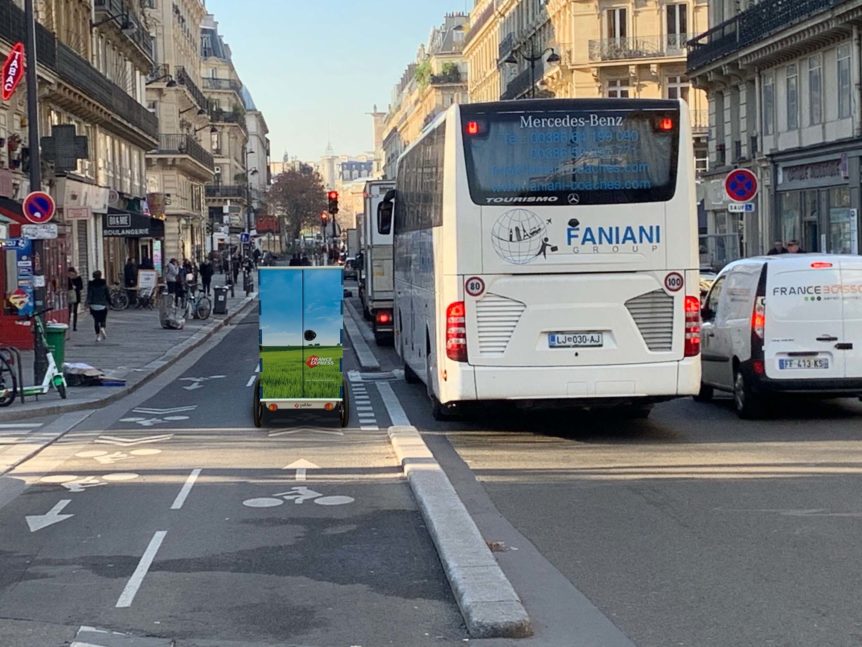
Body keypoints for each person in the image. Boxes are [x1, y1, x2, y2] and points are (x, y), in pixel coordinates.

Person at [86, 270, 111, 342]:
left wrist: (87, 303)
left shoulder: (91, 284)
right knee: (103, 319)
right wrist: (110, 302)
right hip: (102, 305)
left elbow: (89, 295)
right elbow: (107, 295)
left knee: (96, 321)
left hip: (94, 305)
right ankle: (102, 327)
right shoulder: (104, 284)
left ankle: (98, 336)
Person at [66, 267, 83, 332]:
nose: (71, 274)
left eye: (71, 273)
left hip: (76, 295)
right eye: (69, 273)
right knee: (69, 311)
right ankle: (69, 324)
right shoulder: (68, 279)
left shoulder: (78, 278)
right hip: (70, 295)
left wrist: (76, 287)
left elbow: (81, 287)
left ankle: (74, 326)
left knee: (75, 311)